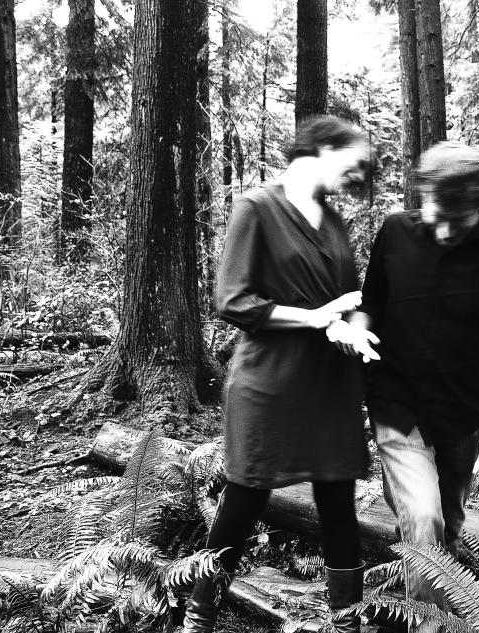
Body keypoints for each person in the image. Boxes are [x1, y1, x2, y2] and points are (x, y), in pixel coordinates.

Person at [183, 116, 379, 633]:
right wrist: (314, 318)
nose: (357, 176)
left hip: (331, 383)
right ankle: (199, 614)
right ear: (321, 149)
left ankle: (347, 622)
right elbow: (232, 299)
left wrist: (353, 328)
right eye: (353, 163)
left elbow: (356, 298)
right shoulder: (256, 206)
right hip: (269, 381)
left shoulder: (334, 222)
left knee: (338, 499)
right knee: (246, 496)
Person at [344, 141, 479, 632]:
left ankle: (427, 596)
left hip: (461, 414)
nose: (445, 229)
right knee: (426, 518)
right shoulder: (395, 232)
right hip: (396, 404)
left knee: (446, 530)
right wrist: (355, 328)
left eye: (460, 218)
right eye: (437, 213)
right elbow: (372, 303)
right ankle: (431, 625)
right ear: (423, 194)